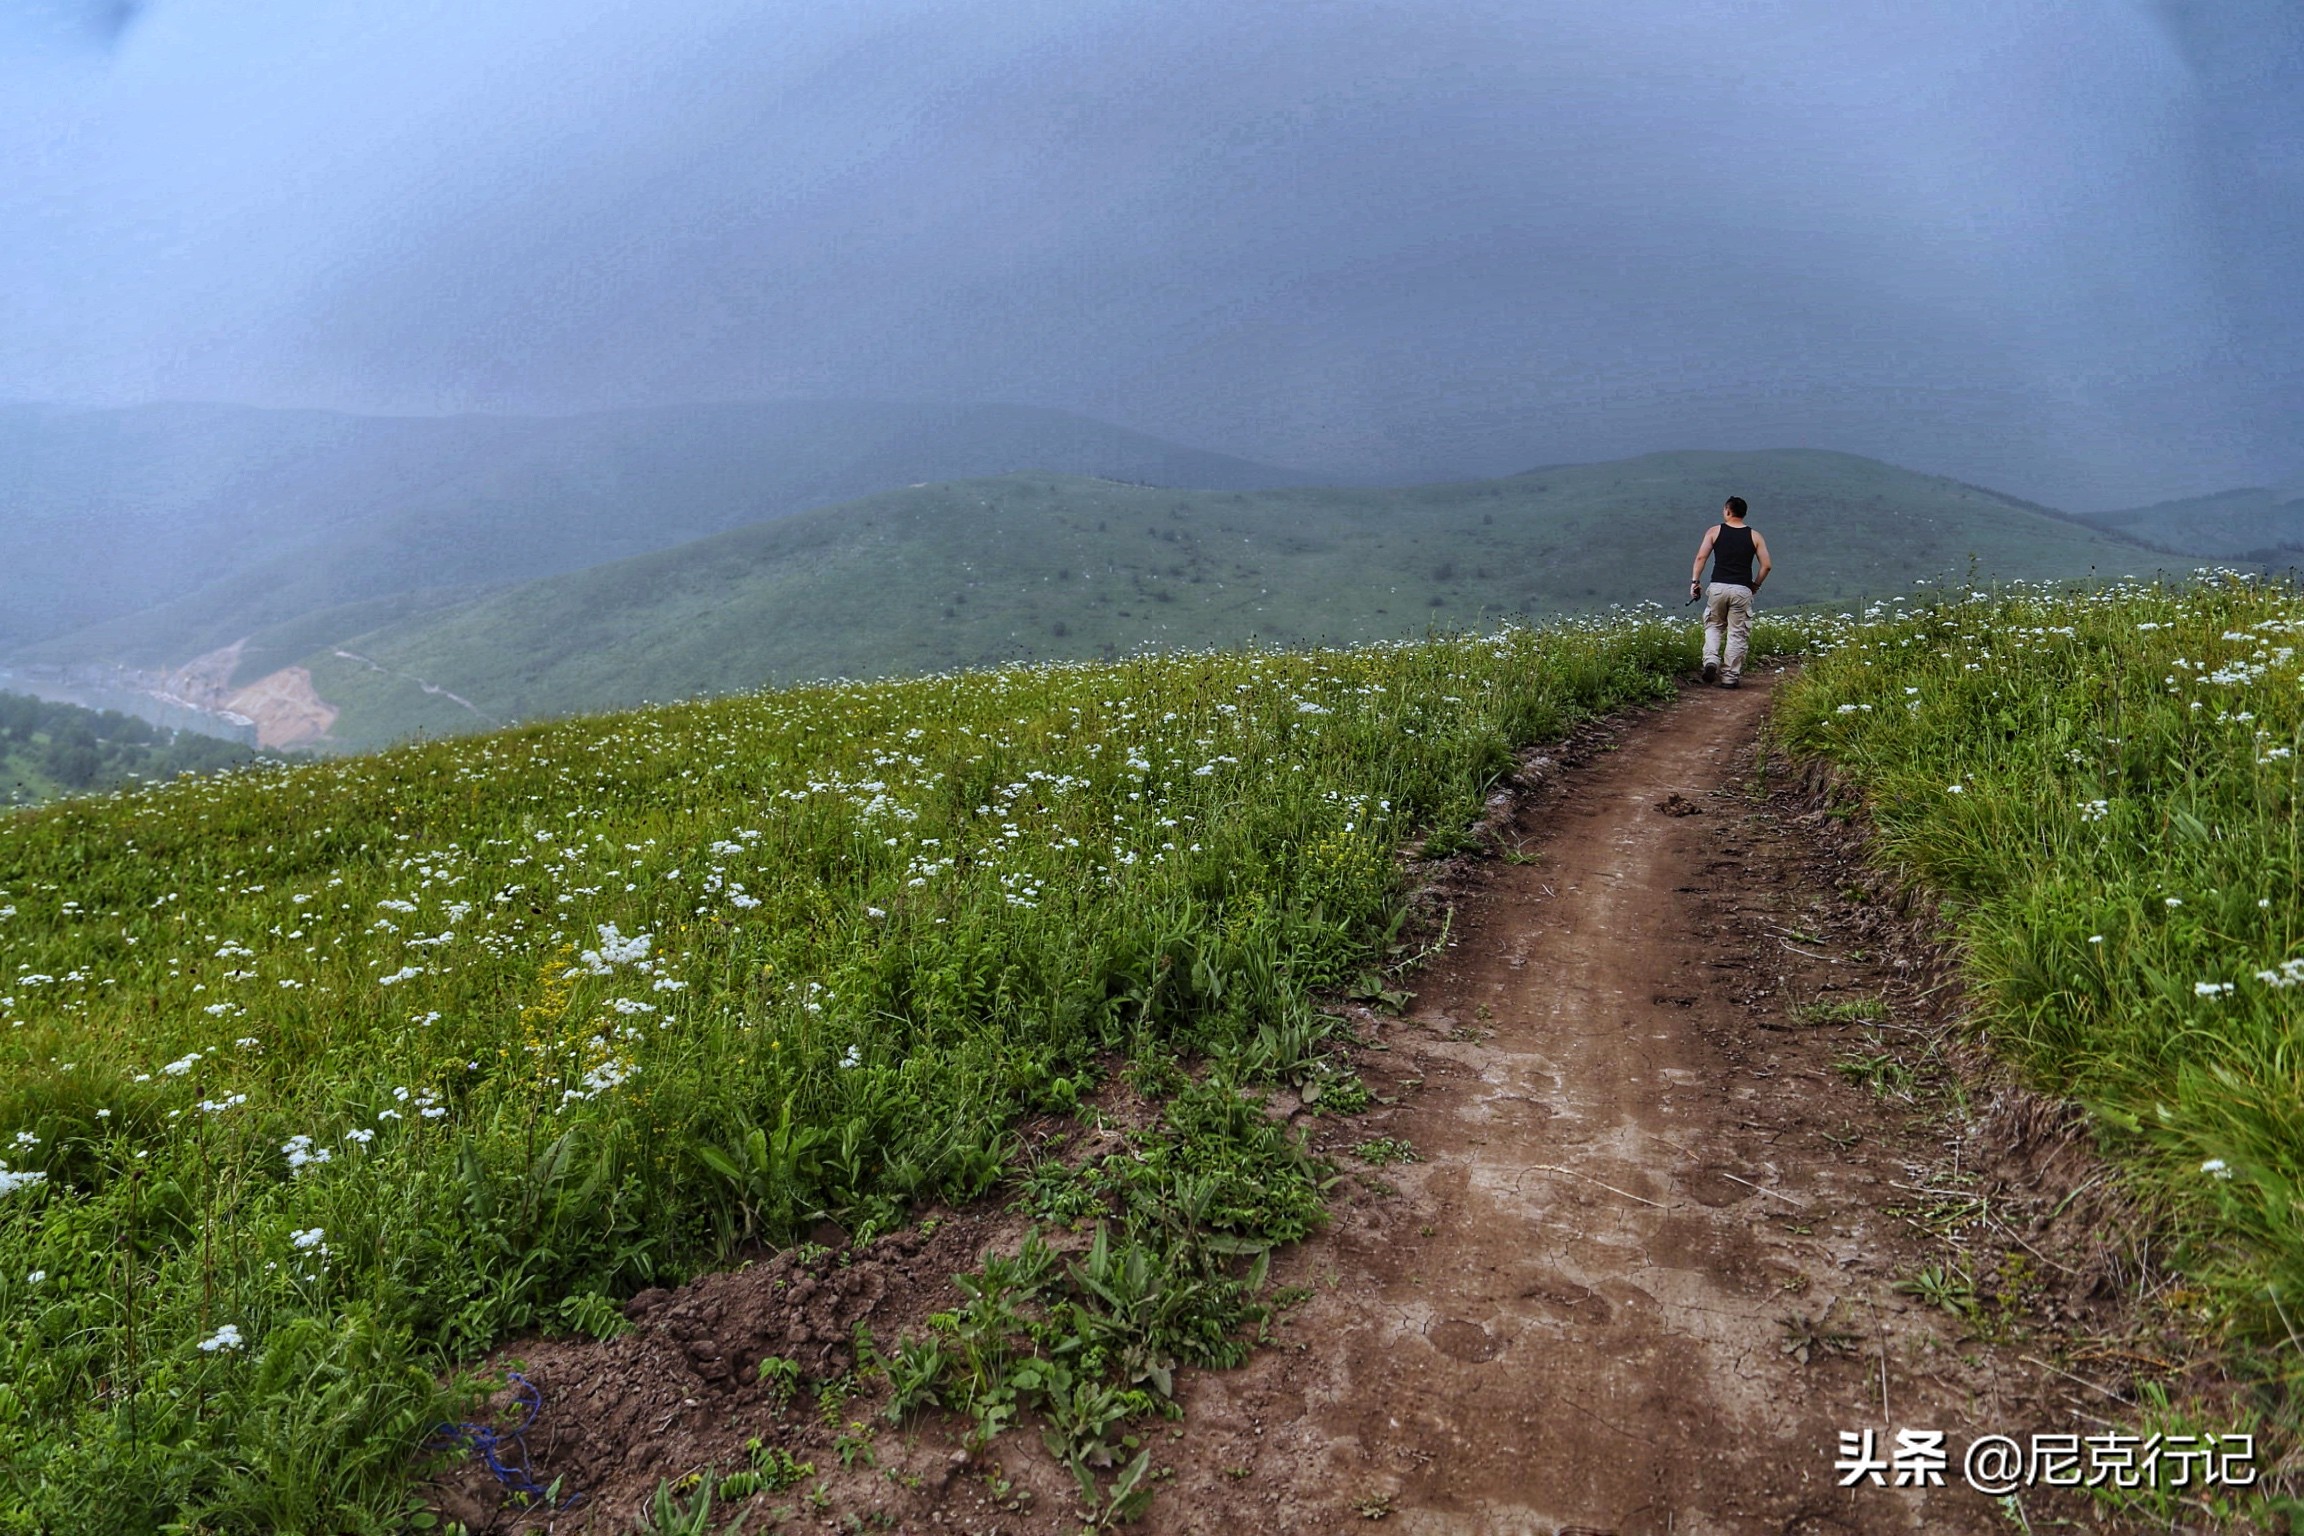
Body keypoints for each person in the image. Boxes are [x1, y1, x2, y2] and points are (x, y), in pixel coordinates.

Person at [1687, 496, 1771, 687]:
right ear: (1744, 513)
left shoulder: (1714, 531)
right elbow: (1766, 566)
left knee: (1714, 625)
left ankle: (1710, 660)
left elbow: (1701, 557)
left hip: (1717, 587)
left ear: (1727, 511)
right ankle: (1730, 678)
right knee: (1737, 633)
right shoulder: (1755, 536)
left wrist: (1695, 581)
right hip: (1742, 589)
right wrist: (1754, 586)